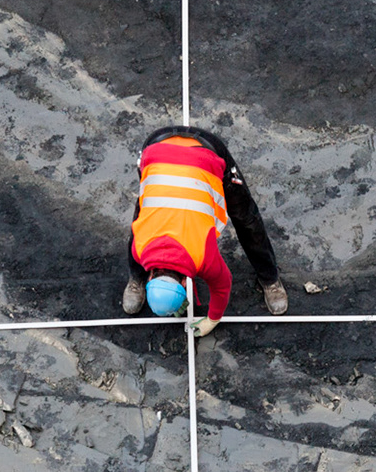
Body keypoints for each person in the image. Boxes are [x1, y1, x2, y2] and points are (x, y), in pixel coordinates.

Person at [122, 125, 288, 334]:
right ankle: (135, 280)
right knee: (143, 212)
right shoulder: (140, 247)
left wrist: (212, 320)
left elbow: (223, 285)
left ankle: (269, 278)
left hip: (207, 152)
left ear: (185, 282)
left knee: (246, 219)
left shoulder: (202, 256)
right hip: (155, 150)